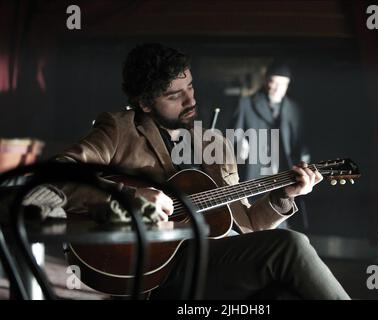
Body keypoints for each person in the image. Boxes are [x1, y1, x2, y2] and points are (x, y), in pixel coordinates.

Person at [55, 43, 350, 300]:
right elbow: (58, 176)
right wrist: (130, 197)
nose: (190, 100)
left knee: (288, 293)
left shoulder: (215, 144)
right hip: (155, 267)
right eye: (174, 96)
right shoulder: (120, 129)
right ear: (144, 103)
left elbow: (249, 225)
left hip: (217, 263)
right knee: (292, 244)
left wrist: (283, 195)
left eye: (191, 87)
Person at [231, 61, 310, 230]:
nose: (276, 88)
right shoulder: (245, 103)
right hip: (254, 170)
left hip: (284, 171)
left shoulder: (294, 109)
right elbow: (233, 135)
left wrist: (305, 158)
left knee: (281, 214)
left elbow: (301, 142)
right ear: (266, 81)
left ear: (288, 85)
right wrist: (241, 145)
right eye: (273, 82)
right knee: (252, 220)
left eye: (282, 84)